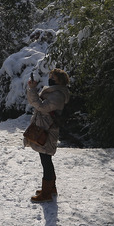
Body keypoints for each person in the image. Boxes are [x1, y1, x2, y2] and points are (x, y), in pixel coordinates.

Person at [24, 68, 70, 203]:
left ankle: (46, 194)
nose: (50, 79)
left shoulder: (57, 95)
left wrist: (32, 90)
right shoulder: (54, 92)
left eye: (53, 78)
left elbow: (41, 106)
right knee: (46, 159)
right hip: (45, 128)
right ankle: (51, 188)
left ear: (60, 81)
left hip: (48, 131)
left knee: (46, 160)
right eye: (50, 76)